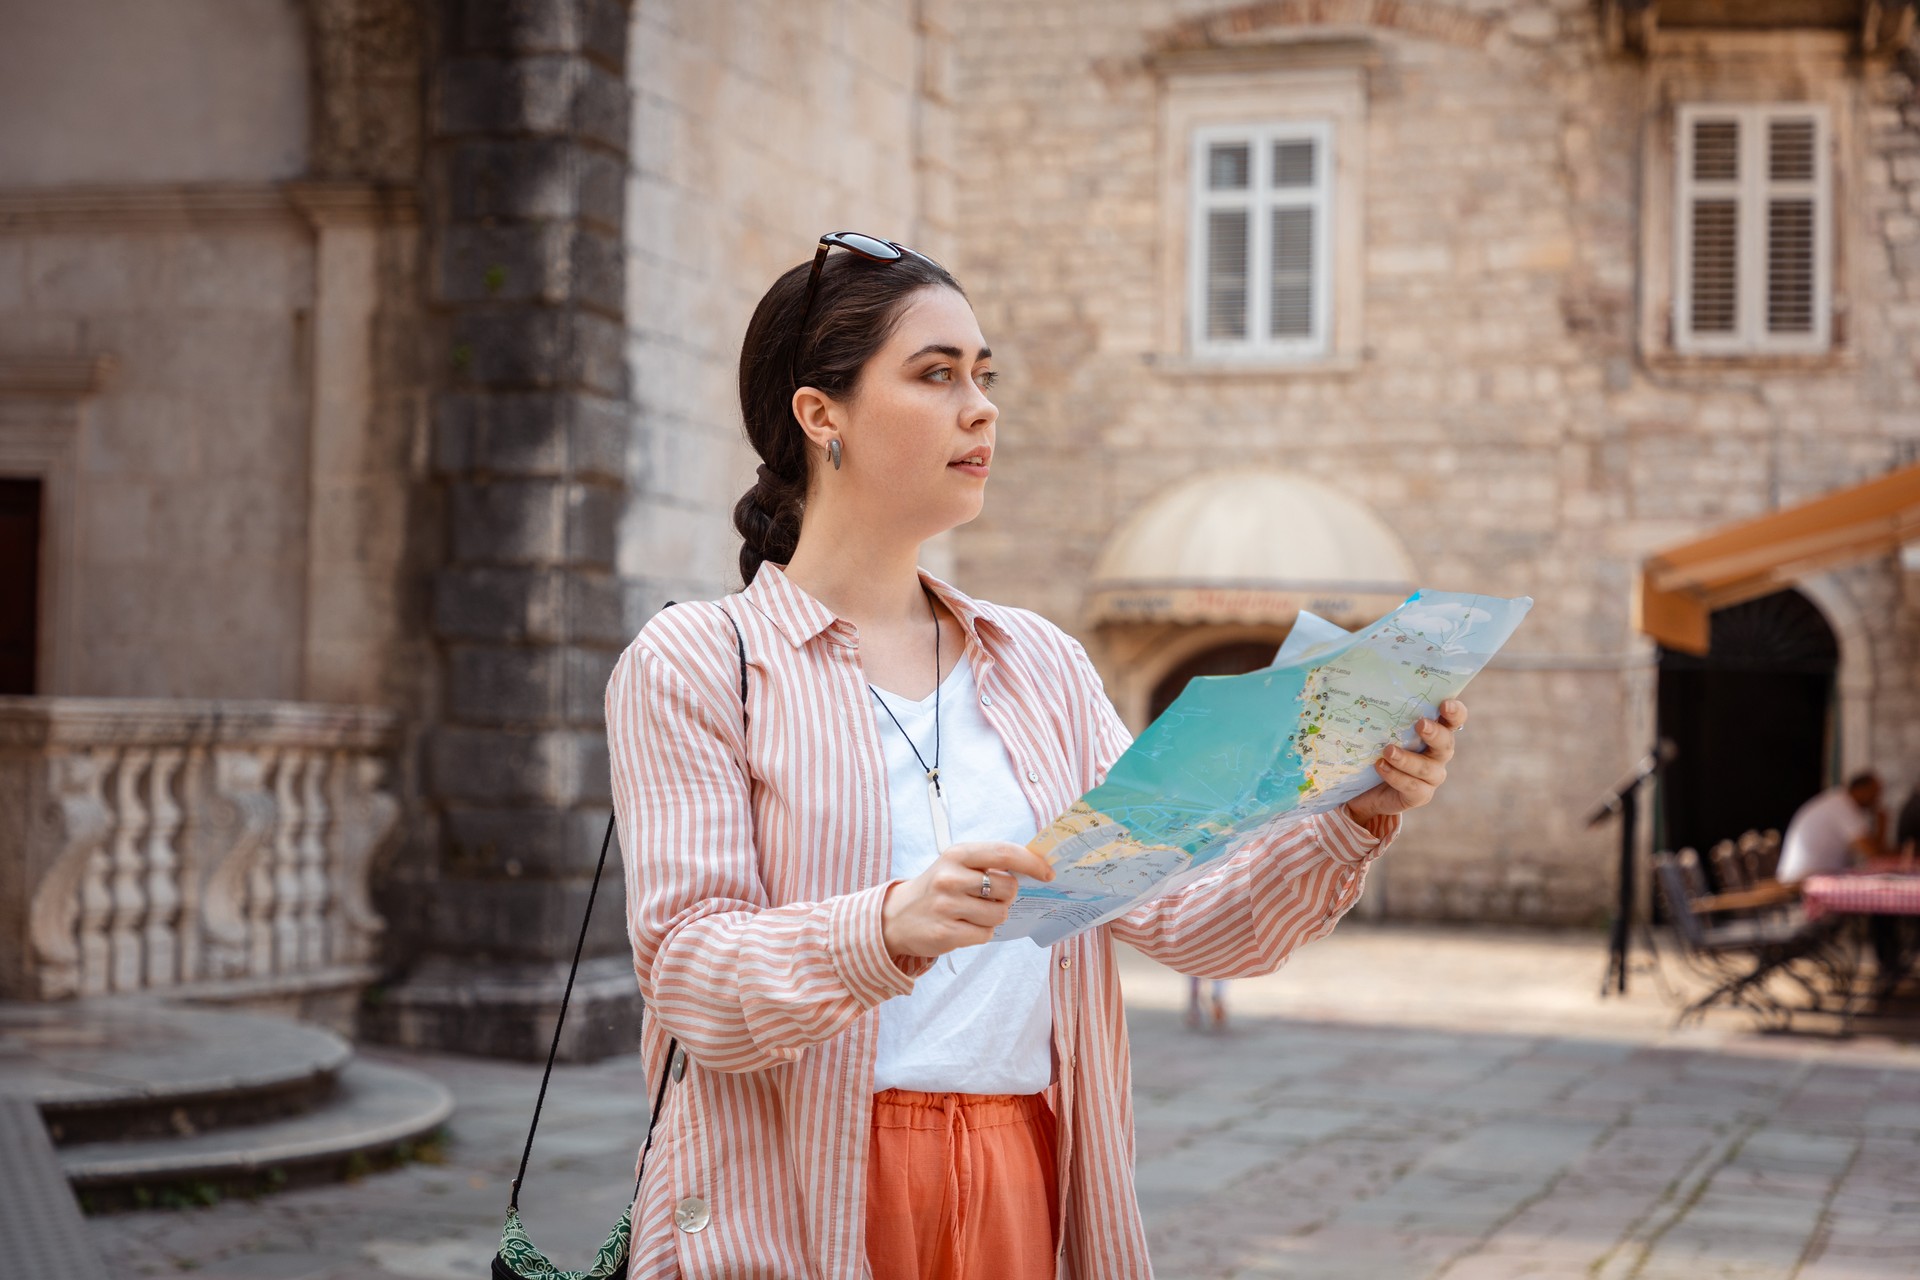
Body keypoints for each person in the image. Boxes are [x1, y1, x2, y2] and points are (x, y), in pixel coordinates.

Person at [604, 232, 1470, 1280]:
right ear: (819, 413)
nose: (982, 406)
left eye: (985, 374)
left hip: (1028, 1171)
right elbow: (692, 974)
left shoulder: (1041, 666)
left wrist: (1353, 811)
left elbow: (1191, 913)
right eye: (936, 374)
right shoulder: (702, 659)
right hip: (792, 1191)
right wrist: (886, 924)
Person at [1776, 772, 1884, 884]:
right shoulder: (1843, 806)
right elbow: (1872, 852)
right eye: (1875, 793)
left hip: (1808, 878)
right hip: (1801, 881)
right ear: (1862, 789)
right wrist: (1882, 825)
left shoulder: (1838, 800)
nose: (1877, 799)